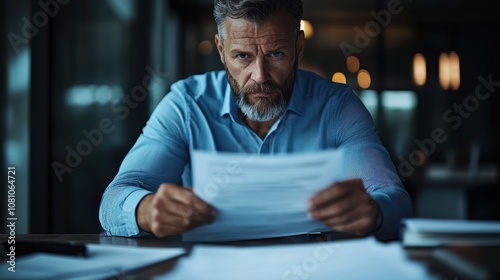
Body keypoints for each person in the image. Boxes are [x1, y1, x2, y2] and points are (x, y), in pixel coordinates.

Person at [99, 0, 412, 240]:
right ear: (221, 50)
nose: (260, 76)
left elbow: (392, 196)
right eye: (242, 56)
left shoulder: (338, 108)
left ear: (299, 48)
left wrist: (375, 212)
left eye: (276, 54)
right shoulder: (186, 105)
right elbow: (115, 198)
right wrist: (145, 210)